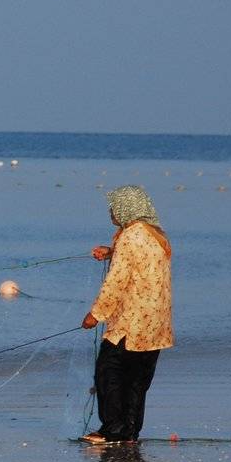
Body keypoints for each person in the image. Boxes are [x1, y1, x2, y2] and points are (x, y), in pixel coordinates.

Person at [80, 184, 172, 445]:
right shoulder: (155, 234)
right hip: (155, 323)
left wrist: (95, 315)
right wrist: (110, 253)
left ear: (127, 208)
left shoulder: (131, 236)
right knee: (137, 380)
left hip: (131, 322)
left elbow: (117, 282)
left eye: (114, 206)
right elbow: (138, 264)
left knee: (109, 372)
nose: (111, 211)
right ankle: (129, 432)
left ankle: (112, 430)